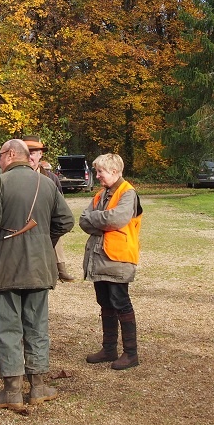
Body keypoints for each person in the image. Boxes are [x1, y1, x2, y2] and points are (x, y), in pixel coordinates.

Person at [0, 139, 74, 411]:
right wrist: (44, 239)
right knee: (37, 326)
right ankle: (39, 387)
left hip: (6, 268)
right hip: (40, 268)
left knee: (7, 328)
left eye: (1, 155)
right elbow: (66, 221)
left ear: (9, 155)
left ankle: (12, 392)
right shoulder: (47, 183)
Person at [81, 153, 143, 370]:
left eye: (100, 172)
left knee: (121, 303)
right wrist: (103, 220)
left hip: (118, 259)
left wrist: (96, 218)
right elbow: (83, 220)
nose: (97, 176)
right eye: (97, 171)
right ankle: (109, 349)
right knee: (105, 303)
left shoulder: (128, 193)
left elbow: (117, 219)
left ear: (114, 172)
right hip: (100, 259)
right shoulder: (101, 194)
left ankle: (130, 353)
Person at [23, 135, 75, 282]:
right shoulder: (12, 177)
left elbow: (61, 209)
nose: (29, 157)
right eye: (26, 153)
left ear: (41, 154)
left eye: (33, 153)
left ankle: (60, 269)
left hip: (46, 224)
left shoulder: (52, 179)